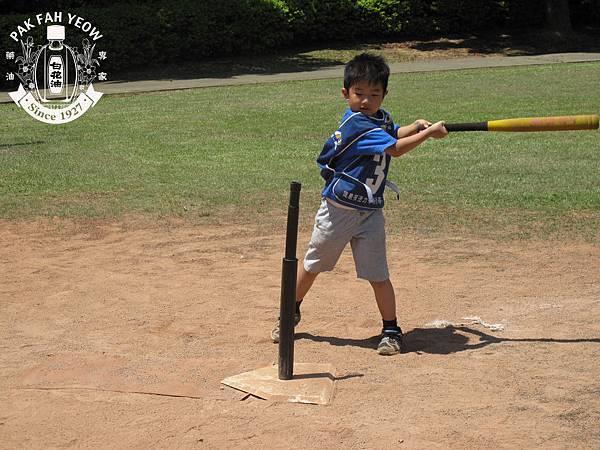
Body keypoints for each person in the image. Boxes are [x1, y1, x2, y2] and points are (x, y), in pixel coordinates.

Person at [272, 53, 448, 355]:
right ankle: (290, 311)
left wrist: (415, 126)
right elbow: (395, 149)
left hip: (369, 213)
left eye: (374, 94)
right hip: (338, 210)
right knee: (313, 265)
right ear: (346, 94)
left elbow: (392, 133)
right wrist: (429, 134)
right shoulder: (357, 125)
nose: (366, 101)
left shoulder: (379, 118)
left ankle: (391, 330)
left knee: (378, 273)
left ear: (384, 94)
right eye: (359, 94)